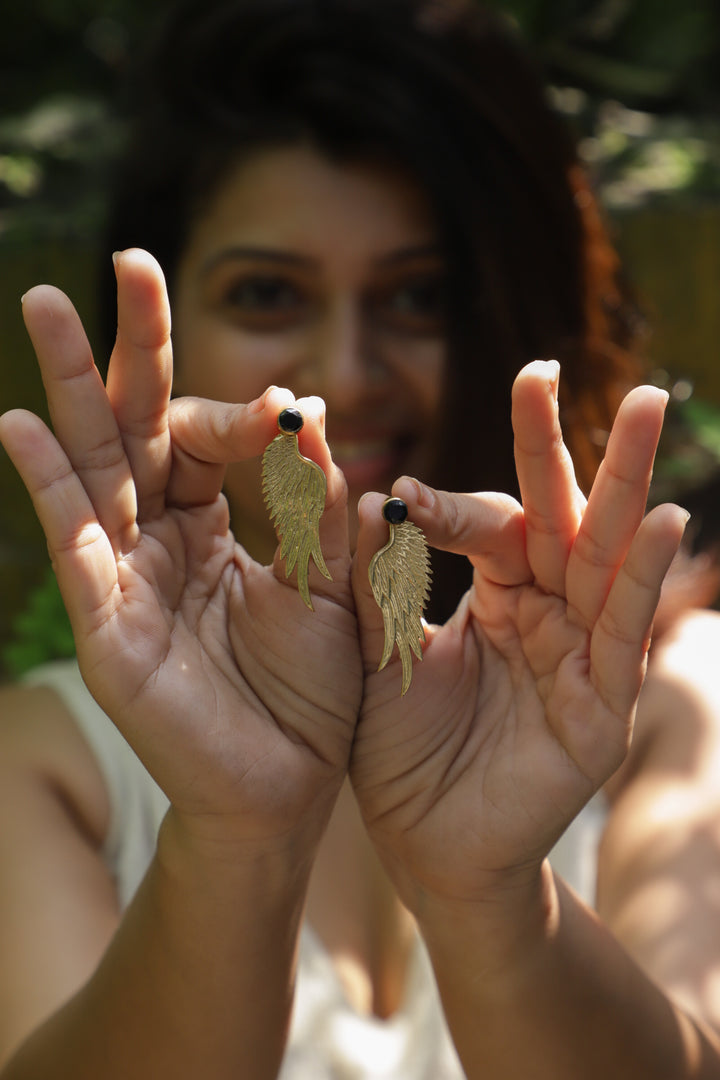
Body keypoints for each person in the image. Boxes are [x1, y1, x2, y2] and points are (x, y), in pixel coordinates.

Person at [0, 1, 720, 1076]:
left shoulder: (672, 705)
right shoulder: (54, 756)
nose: (345, 373)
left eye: (419, 296)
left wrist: (488, 894)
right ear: (164, 330)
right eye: (268, 293)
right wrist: (239, 839)